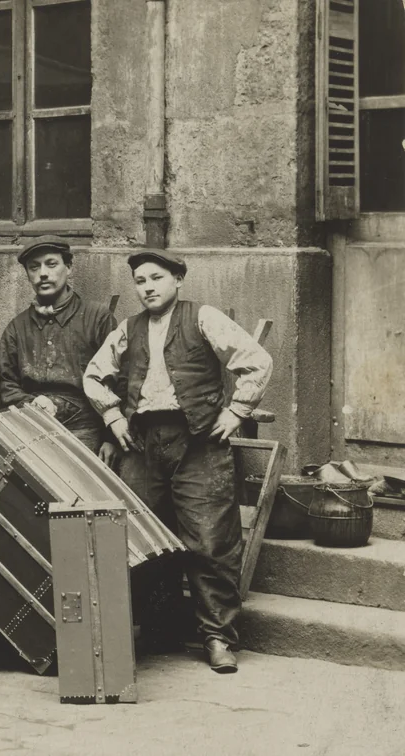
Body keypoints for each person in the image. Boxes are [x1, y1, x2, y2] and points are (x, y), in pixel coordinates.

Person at [83, 249, 273, 674]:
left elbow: (256, 361)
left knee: (210, 540)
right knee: (144, 538)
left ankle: (218, 637)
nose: (147, 287)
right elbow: (93, 375)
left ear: (177, 280)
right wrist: (113, 415)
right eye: (140, 280)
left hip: (199, 443)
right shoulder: (127, 329)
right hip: (144, 444)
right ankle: (157, 630)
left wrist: (237, 411)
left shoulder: (202, 316)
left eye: (156, 278)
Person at [0, 235, 117, 462]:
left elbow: (118, 378)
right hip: (34, 428)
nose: (43, 273)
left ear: (69, 267)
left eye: (51, 264)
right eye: (34, 267)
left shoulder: (97, 317)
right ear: (28, 275)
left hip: (87, 430)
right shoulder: (17, 328)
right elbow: (5, 384)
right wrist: (30, 403)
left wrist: (110, 438)